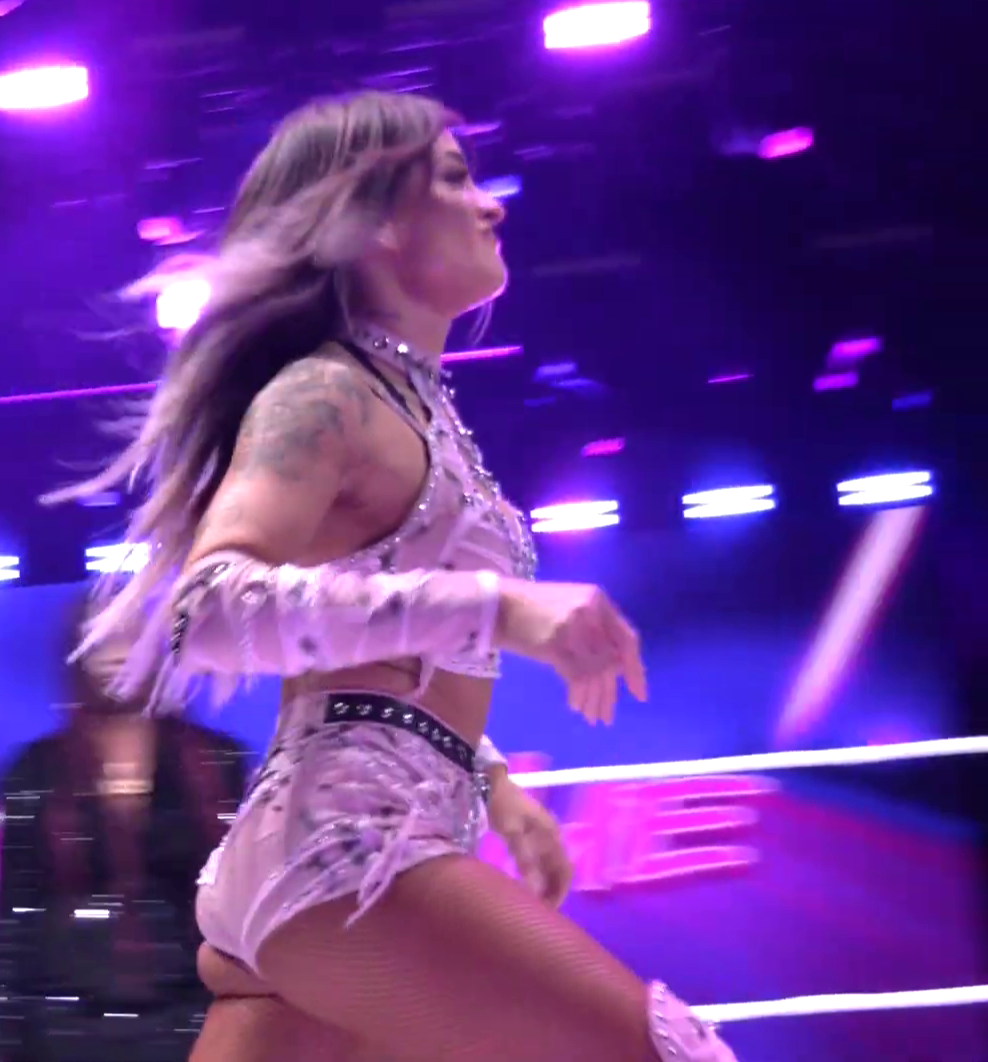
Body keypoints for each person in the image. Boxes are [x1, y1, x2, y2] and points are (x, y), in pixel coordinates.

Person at [44, 90, 737, 1062]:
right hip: (346, 854)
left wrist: (489, 780)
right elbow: (208, 607)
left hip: (347, 852)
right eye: (454, 178)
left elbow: (373, 666)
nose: (490, 202)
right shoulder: (323, 393)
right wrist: (497, 605)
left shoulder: (407, 407)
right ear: (370, 222)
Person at [0, 596, 252, 1062]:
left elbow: (246, 913)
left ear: (159, 648)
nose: (117, 651)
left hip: (191, 1021)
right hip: (69, 1031)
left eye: (131, 636)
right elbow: (14, 921)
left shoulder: (218, 765)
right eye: (102, 638)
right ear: (77, 651)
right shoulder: (34, 773)